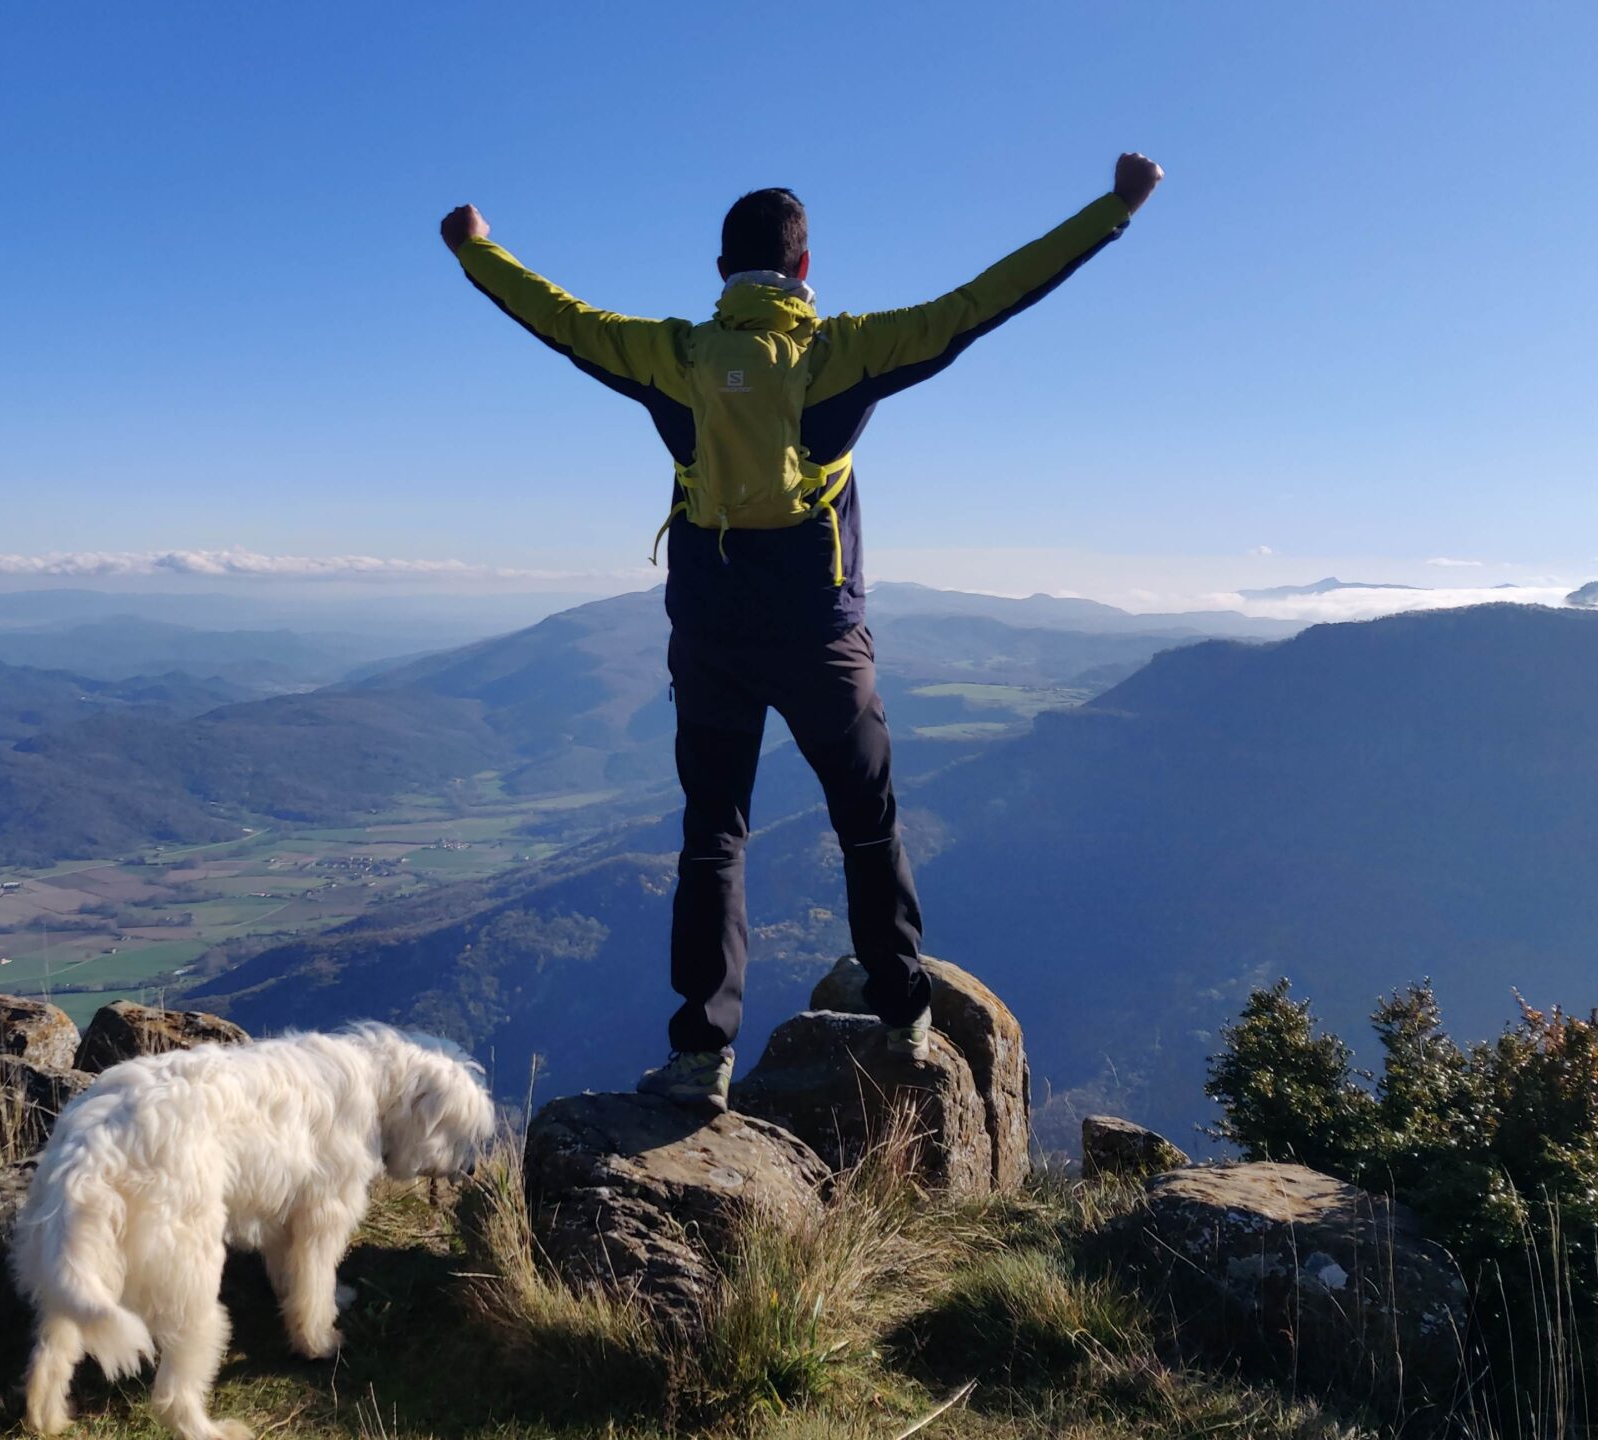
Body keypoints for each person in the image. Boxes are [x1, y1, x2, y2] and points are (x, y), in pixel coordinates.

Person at [441, 154, 1163, 1109]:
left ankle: (702, 1054)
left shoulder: (675, 355)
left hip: (711, 633)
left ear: (720, 272)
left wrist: (477, 253)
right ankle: (903, 1012)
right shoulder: (847, 352)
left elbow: (562, 318)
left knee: (713, 835)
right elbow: (988, 297)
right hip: (823, 636)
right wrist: (1112, 210)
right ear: (806, 267)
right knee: (867, 824)